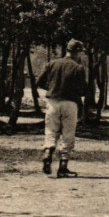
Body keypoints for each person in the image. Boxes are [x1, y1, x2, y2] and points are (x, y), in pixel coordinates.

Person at [36, 39, 87, 178]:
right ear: (77, 52)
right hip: (70, 103)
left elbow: (39, 82)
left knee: (51, 131)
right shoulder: (78, 68)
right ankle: (63, 167)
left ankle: (48, 152)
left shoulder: (52, 64)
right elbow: (84, 90)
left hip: (52, 102)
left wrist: (53, 88)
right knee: (68, 135)